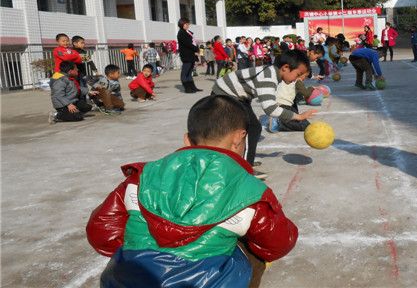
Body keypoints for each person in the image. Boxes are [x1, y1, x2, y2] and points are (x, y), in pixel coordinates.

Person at [86, 95, 298, 288]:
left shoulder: (143, 175)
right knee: (253, 252)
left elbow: (102, 231)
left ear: (187, 139)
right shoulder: (251, 190)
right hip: (209, 282)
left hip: (128, 281)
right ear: (239, 137)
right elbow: (277, 244)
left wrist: (143, 249)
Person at [211, 50, 317, 178]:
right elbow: (270, 109)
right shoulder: (269, 77)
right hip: (225, 95)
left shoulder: (273, 73)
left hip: (238, 97)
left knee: (252, 127)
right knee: (252, 128)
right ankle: (245, 168)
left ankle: (245, 159)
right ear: (285, 68)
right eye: (298, 74)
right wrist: (298, 116)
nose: (297, 79)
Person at [177, 18, 201, 93]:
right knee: (185, 72)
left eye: (188, 24)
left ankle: (193, 87)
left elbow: (192, 42)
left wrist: (196, 49)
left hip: (191, 54)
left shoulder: (188, 32)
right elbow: (188, 44)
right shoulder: (181, 33)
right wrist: (196, 49)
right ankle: (187, 88)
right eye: (186, 24)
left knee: (190, 72)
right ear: (182, 24)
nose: (187, 25)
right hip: (186, 55)